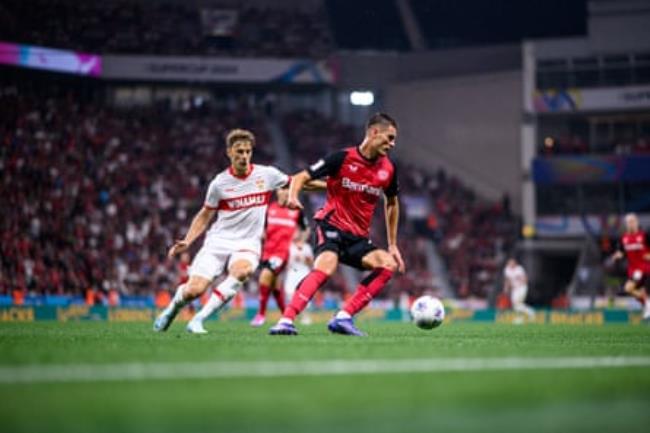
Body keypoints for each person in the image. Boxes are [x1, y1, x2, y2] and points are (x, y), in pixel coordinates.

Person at [153, 128, 320, 333]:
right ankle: (172, 309)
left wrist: (332, 187)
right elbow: (205, 214)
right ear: (229, 153)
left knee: (242, 272)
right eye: (239, 151)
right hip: (219, 241)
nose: (244, 156)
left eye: (248, 151)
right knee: (194, 291)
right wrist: (188, 241)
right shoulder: (219, 183)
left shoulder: (266, 175)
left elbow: (299, 183)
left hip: (248, 243)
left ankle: (198, 319)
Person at [269, 112, 405, 336]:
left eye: (394, 139)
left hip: (358, 238)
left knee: (387, 264)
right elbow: (302, 176)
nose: (392, 144)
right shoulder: (341, 158)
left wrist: (392, 244)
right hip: (330, 225)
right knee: (327, 266)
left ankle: (343, 317)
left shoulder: (388, 170)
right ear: (374, 132)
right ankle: (286, 321)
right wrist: (293, 196)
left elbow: (392, 202)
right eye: (389, 138)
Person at [249, 186, 308, 327]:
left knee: (265, 276)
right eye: (283, 189)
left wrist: (300, 241)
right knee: (275, 285)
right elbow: (262, 229)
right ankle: (286, 316)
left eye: (288, 189)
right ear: (277, 191)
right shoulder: (269, 209)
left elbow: (306, 229)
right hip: (267, 252)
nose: (286, 192)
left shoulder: (296, 210)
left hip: (283, 253)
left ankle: (261, 315)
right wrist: (260, 235)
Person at [609, 213, 650, 320]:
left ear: (637, 222)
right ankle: (647, 304)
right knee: (636, 292)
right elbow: (622, 252)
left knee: (628, 288)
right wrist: (617, 255)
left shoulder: (645, 235)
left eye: (632, 221)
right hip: (632, 270)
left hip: (643, 268)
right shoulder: (624, 238)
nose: (630, 224)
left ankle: (647, 303)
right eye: (628, 222)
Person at [284, 231, 315, 325]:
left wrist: (305, 258)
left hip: (303, 271)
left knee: (304, 294)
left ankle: (306, 316)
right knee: (289, 293)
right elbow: (285, 262)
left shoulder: (306, 247)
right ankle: (292, 314)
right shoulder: (288, 246)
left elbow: (312, 263)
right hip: (292, 272)